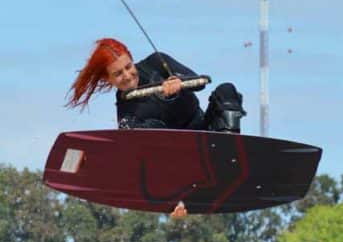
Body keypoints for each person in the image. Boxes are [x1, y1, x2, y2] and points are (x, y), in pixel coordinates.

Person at [67, 37, 246, 218]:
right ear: (109, 78)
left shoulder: (156, 62)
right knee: (141, 133)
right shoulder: (127, 112)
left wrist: (179, 81)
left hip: (204, 133)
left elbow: (199, 83)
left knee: (226, 91)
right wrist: (175, 202)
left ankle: (227, 157)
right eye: (118, 74)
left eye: (128, 67)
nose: (127, 76)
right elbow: (145, 166)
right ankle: (182, 192)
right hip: (182, 163)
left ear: (132, 58)